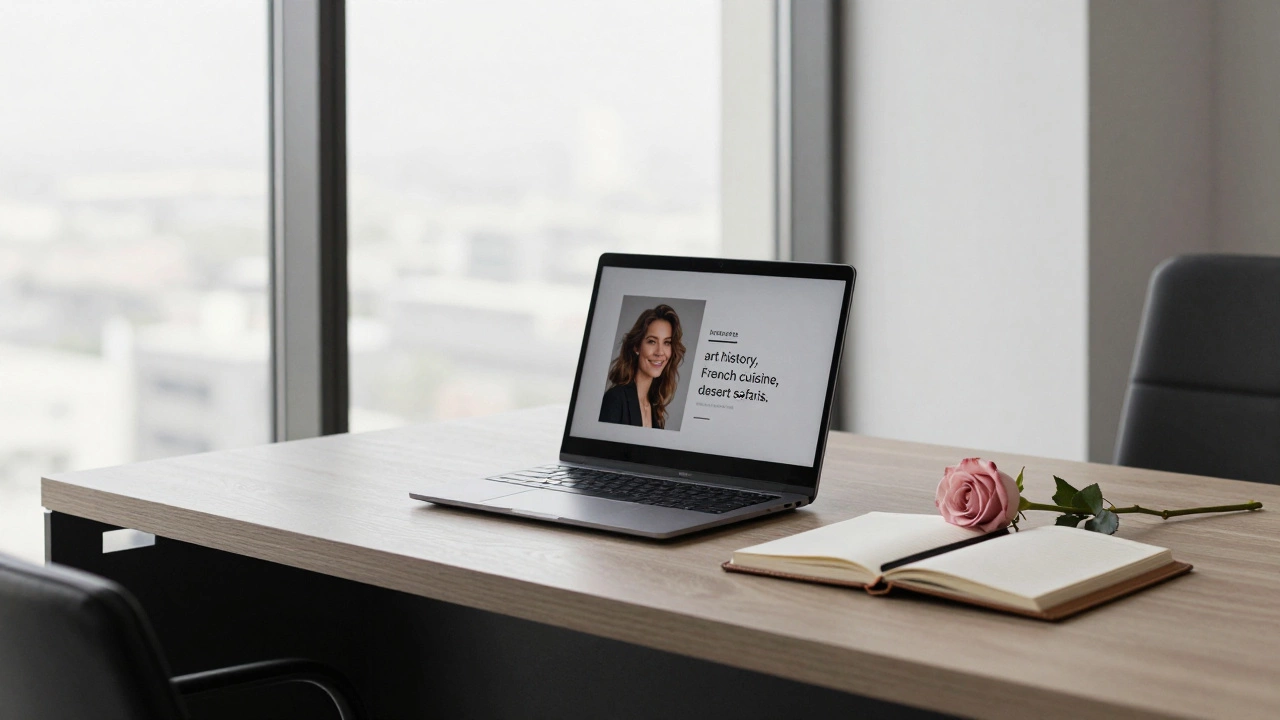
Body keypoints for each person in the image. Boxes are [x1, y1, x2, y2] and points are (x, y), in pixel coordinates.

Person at [599, 304, 686, 429]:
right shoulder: (615, 399)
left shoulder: (655, 409)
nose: (660, 352)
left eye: (667, 342)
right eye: (652, 341)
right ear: (636, 346)